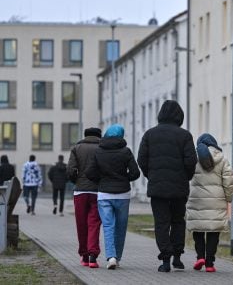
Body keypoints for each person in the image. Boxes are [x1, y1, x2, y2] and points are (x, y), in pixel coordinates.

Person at [137, 100, 197, 272]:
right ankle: (177, 256)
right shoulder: (185, 136)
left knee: (161, 223)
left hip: (158, 188)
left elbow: (141, 160)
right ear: (179, 116)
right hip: (179, 188)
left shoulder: (149, 135)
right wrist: (185, 177)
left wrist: (152, 176)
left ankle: (165, 259)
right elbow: (191, 161)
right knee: (178, 221)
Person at [86, 124, 140, 270]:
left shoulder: (99, 151)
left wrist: (102, 180)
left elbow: (90, 173)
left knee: (108, 226)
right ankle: (118, 257)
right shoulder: (126, 151)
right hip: (123, 194)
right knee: (120, 228)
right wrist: (124, 178)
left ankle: (111, 257)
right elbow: (135, 173)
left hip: (104, 194)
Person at [186, 133, 233, 272]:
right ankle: (210, 263)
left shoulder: (193, 158)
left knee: (198, 228)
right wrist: (229, 198)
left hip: (196, 199)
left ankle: (200, 256)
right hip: (217, 200)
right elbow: (228, 181)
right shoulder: (222, 159)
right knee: (214, 231)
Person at [67, 127, 102, 268]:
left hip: (80, 191)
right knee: (94, 224)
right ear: (99, 136)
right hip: (97, 191)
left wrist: (76, 181)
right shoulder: (102, 148)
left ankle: (84, 256)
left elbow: (70, 170)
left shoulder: (76, 148)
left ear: (85, 135)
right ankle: (93, 256)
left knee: (81, 224)